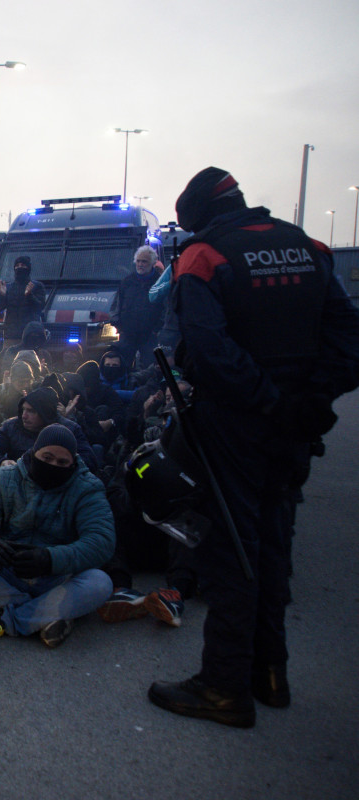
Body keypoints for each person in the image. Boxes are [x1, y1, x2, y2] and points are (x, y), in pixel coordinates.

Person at [147, 167, 359, 728]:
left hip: (236, 425)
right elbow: (349, 336)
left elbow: (209, 351)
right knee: (273, 542)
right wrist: (312, 398)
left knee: (231, 551)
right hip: (293, 428)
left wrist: (267, 401)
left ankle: (223, 686)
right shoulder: (308, 247)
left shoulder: (204, 258)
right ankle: (270, 672)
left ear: (196, 214)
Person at [0, 424, 115, 647]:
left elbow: (101, 541)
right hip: (8, 569)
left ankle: (4, 620)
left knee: (100, 583)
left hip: (58, 576)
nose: (53, 465)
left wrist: (50, 559)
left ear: (73, 463)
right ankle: (49, 614)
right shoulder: (6, 477)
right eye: (47, 457)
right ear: (34, 452)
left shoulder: (87, 488)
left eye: (62, 462)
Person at [110, 246, 164, 368]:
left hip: (150, 335)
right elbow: (116, 306)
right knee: (123, 366)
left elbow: (166, 309)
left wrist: (157, 330)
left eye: (144, 261)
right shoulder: (127, 282)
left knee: (150, 367)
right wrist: (119, 326)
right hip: (128, 334)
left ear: (152, 263)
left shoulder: (159, 283)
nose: (140, 264)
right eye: (138, 261)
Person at [0, 255, 45, 343]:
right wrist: (2, 295)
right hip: (11, 336)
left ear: (28, 268)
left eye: (22, 265)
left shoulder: (36, 286)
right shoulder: (8, 287)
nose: (19, 268)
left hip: (30, 336)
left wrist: (29, 295)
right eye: (17, 266)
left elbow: (40, 307)